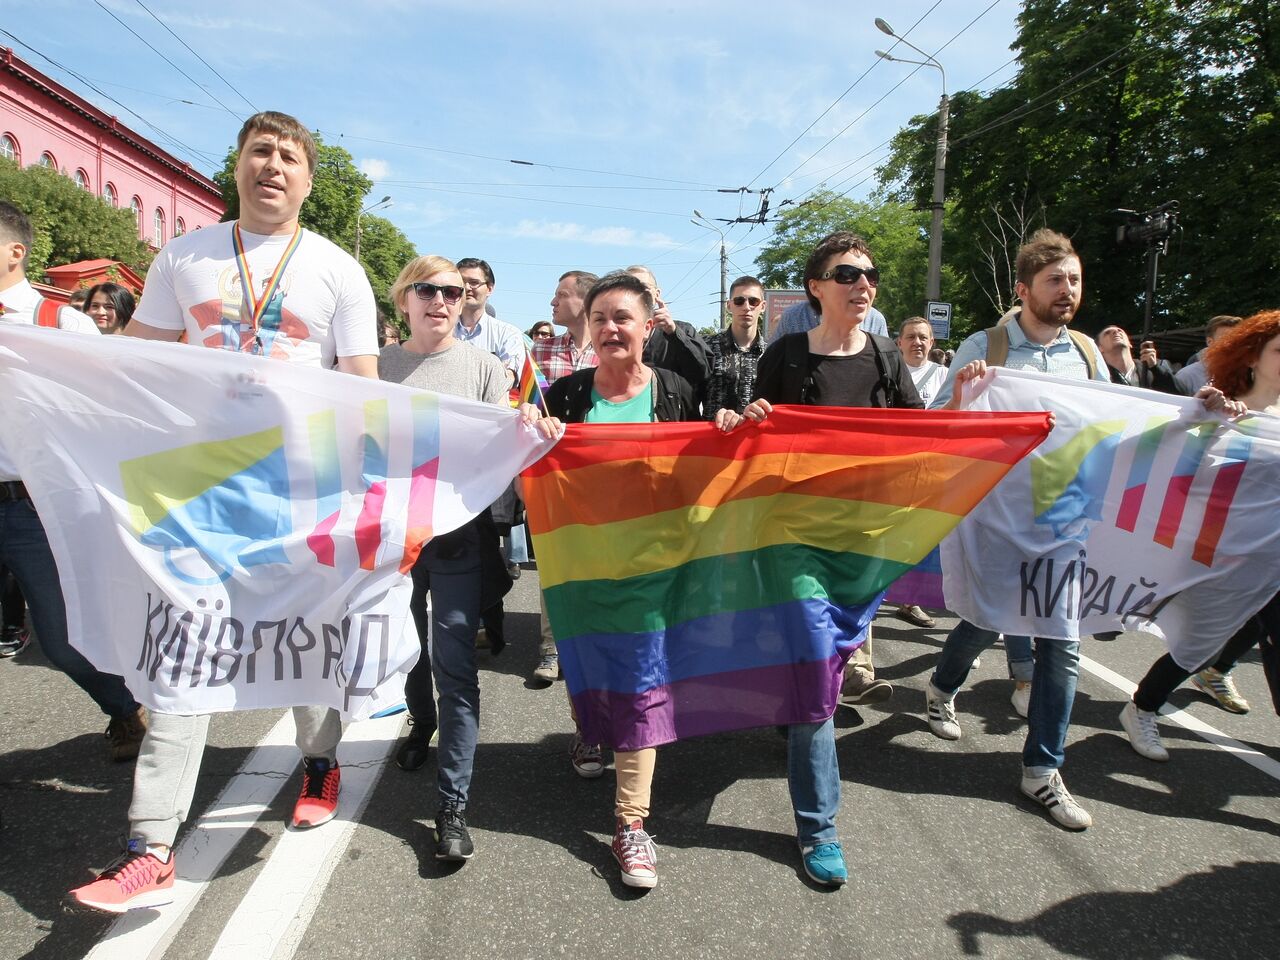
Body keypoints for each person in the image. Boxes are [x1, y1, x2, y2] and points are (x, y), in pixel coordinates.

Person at [69, 111, 380, 914]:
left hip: (300, 492)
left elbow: (362, 393)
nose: (272, 167)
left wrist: (362, 502)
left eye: (288, 157)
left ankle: (319, 761)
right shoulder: (185, 254)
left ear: (309, 180)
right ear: (236, 166)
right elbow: (138, 365)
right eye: (259, 153)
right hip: (201, 491)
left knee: (305, 643)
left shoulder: (338, 269)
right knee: (184, 656)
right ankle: (150, 846)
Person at [737, 231, 924, 887]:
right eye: (846, 273)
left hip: (862, 545)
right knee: (820, 676)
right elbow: (750, 440)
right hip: (795, 540)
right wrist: (747, 419)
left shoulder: (886, 359)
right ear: (816, 287)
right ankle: (819, 828)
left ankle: (790, 711)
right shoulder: (786, 354)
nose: (861, 283)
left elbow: (924, 440)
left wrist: (979, 399)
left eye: (869, 274)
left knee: (827, 667)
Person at [922, 228, 1111, 832]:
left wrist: (1200, 412)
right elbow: (939, 425)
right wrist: (960, 394)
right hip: (997, 518)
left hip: (1064, 521)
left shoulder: (1085, 353)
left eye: (1075, 280)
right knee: (987, 618)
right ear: (1024, 288)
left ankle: (1041, 771)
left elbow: (1117, 423)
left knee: (1062, 645)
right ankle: (942, 687)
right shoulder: (988, 345)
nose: (1068, 290)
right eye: (1056, 280)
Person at [380, 254, 553, 858]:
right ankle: (420, 724)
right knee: (409, 654)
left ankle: (452, 806)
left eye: (452, 292)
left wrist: (527, 419)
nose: (441, 301)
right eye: (426, 290)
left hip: (457, 540)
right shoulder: (374, 365)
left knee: (455, 662)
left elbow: (505, 441)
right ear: (404, 298)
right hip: (389, 544)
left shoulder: (484, 367)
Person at [541, 271, 707, 889]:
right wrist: (537, 436)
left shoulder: (676, 390)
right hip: (580, 559)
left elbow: (706, 458)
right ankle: (589, 728)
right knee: (588, 661)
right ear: (588, 328)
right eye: (601, 318)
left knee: (642, 680)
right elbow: (529, 460)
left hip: (655, 564)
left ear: (646, 327)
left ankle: (630, 824)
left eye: (623, 319)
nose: (611, 329)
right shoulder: (563, 394)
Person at [0, 200, 146, 754]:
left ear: (16, 252)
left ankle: (124, 707)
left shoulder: (60, 323)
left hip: (35, 505)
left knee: (62, 642)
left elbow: (106, 409)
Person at [1119, 310, 1280, 760]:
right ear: (1253, 357)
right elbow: (1167, 457)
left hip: (1275, 562)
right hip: (1219, 555)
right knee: (1197, 644)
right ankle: (1143, 708)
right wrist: (1205, 417)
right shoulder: (1222, 407)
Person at [529, 270, 598, 683]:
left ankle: (591, 642)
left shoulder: (612, 349)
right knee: (555, 561)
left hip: (601, 476)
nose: (552, 303)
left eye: (561, 295)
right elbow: (526, 405)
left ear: (584, 302)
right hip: (553, 474)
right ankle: (550, 649)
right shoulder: (541, 349)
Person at [890, 316, 948, 629]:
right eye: (911, 337)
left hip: (931, 469)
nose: (918, 343)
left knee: (924, 536)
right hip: (895, 468)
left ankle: (911, 599)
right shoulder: (888, 373)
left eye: (923, 337)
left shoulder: (944, 375)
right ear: (899, 342)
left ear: (932, 343)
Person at [626, 265, 711, 403]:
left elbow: (702, 374)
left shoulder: (684, 330)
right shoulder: (616, 333)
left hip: (674, 417)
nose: (638, 295)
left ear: (657, 294)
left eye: (644, 288)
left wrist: (673, 332)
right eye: (630, 289)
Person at [454, 257, 526, 387]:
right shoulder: (440, 329)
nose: (466, 288)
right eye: (461, 282)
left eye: (474, 282)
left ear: (490, 288)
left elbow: (509, 378)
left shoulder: (507, 334)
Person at [702, 275, 767, 418]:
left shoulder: (771, 354)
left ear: (762, 306)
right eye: (739, 301)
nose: (746, 307)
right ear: (729, 305)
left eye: (753, 301)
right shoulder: (706, 347)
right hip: (713, 436)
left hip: (755, 437)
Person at [1098, 325, 1178, 393]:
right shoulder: (1099, 374)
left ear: (1130, 343)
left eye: (1120, 331)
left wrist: (1155, 368)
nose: (1116, 332)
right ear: (1099, 348)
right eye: (1107, 333)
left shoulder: (1150, 371)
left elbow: (1177, 394)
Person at [1174, 315, 1242, 394]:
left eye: (1237, 339)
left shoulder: (1248, 375)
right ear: (1210, 342)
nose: (1233, 344)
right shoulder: (1187, 376)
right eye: (1226, 339)